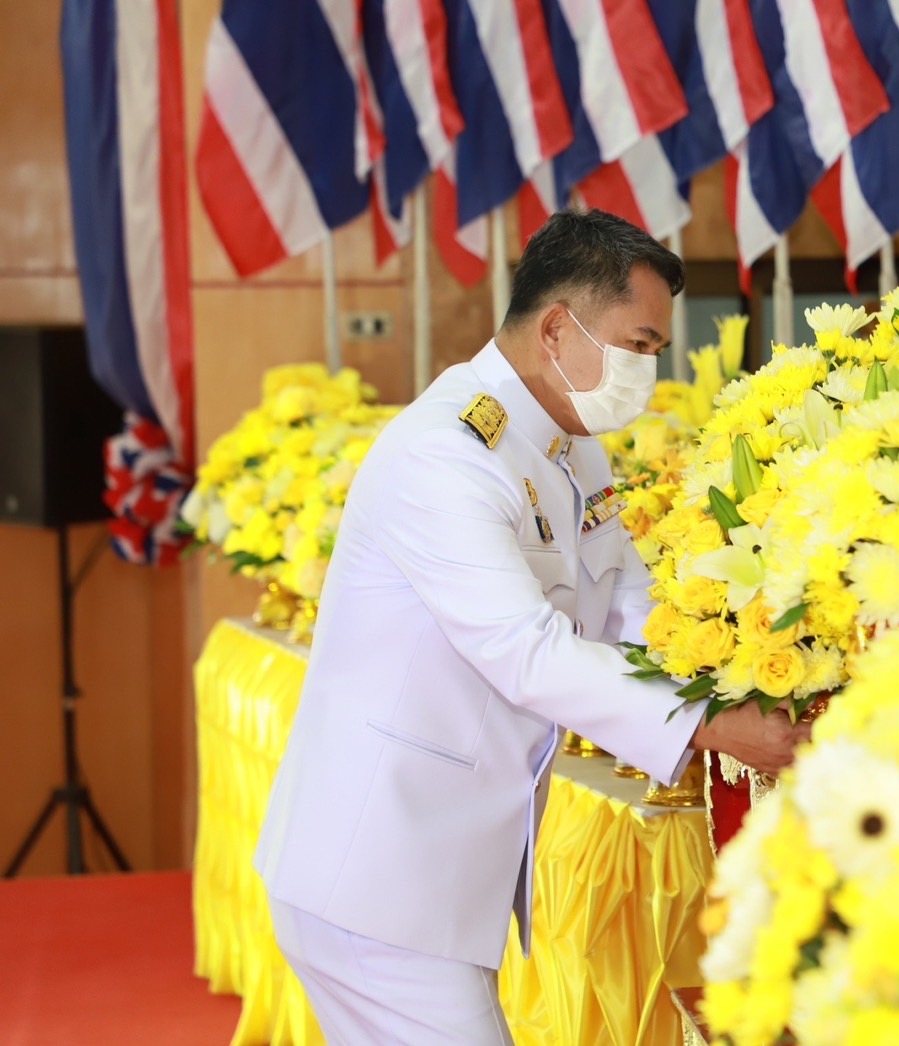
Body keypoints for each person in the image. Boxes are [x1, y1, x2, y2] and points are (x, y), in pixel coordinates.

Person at [254, 209, 810, 1044]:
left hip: (431, 869)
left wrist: (740, 663)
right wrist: (707, 724)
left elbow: (626, 595)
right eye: (640, 345)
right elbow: (525, 651)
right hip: (376, 870)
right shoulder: (444, 454)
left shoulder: (565, 441)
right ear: (558, 329)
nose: (648, 374)